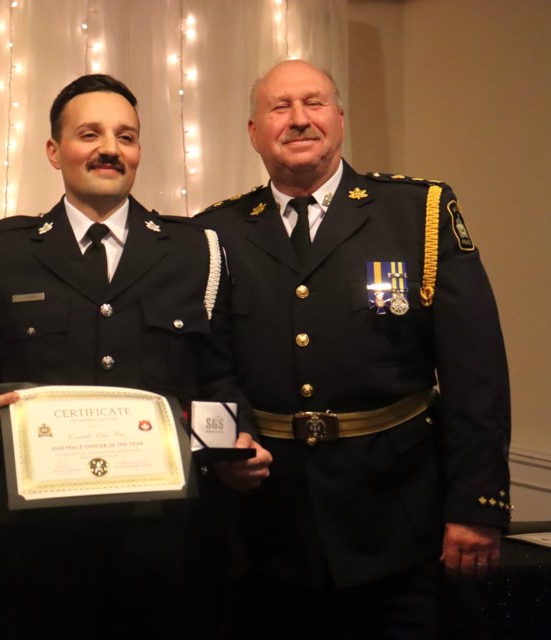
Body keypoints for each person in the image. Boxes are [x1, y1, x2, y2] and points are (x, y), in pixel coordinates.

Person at [0, 74, 271, 637]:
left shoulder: (196, 250)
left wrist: (240, 441)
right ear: (54, 150)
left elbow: (219, 377)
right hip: (37, 551)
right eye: (89, 134)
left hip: (171, 549)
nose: (110, 149)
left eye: (126, 136)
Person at [195, 59, 511, 638]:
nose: (298, 120)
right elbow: (208, 366)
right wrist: (224, 447)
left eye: (313, 104)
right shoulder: (216, 231)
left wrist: (476, 504)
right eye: (279, 107)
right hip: (269, 529)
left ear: (339, 118)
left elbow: (476, 374)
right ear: (252, 132)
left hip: (400, 523)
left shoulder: (418, 212)